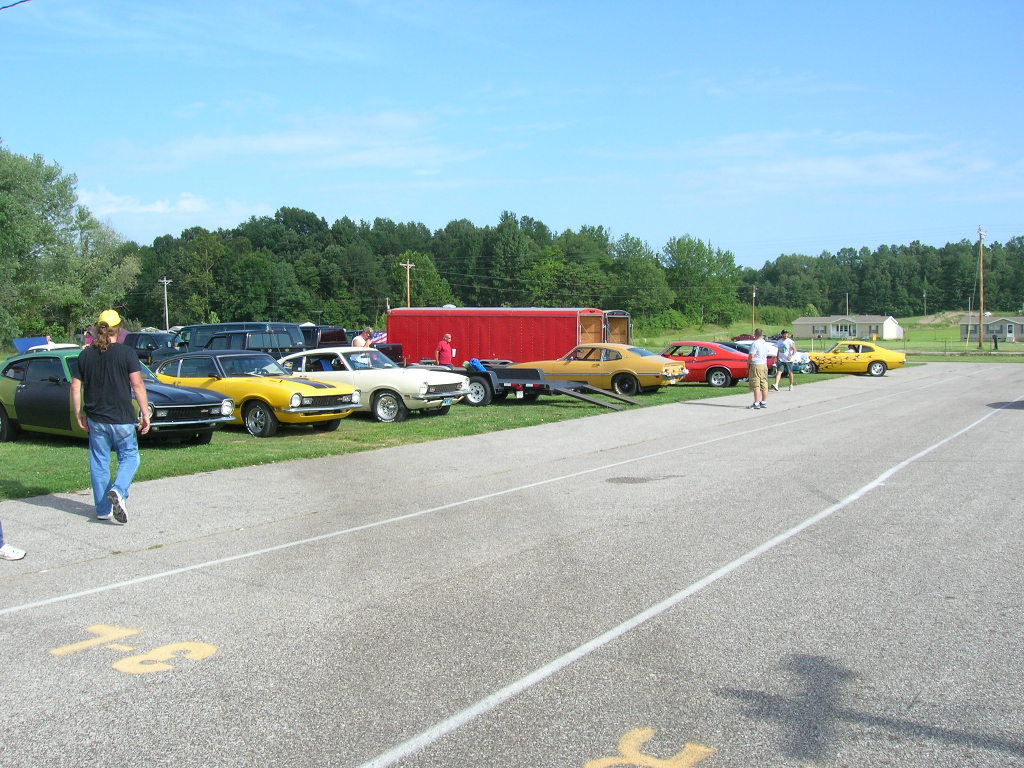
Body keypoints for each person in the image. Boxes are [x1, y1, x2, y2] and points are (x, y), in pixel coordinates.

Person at [70, 310, 151, 524]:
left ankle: (102, 509)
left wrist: (79, 412)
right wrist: (145, 412)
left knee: (99, 461)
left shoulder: (85, 354)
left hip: (96, 418)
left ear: (97, 328)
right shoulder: (126, 353)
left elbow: (75, 386)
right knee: (130, 457)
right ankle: (118, 490)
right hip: (122, 417)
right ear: (119, 328)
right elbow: (137, 384)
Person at [746, 328, 773, 410]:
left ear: (755, 334)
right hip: (764, 364)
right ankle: (764, 402)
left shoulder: (755, 343)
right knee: (764, 383)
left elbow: (751, 355)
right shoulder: (765, 343)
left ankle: (756, 403)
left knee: (756, 384)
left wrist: (748, 363)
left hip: (756, 364)